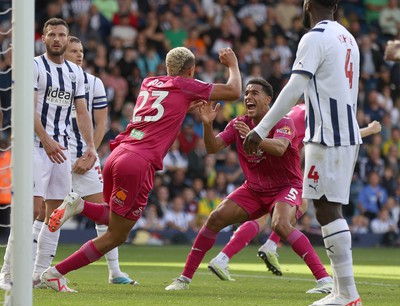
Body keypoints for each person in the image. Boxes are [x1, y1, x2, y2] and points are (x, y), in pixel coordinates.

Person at [40, 46, 241, 292]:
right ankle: (55, 273)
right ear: (191, 70)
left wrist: (185, 107)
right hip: (138, 163)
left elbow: (164, 110)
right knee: (116, 235)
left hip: (119, 153)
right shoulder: (185, 84)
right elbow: (234, 91)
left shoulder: (150, 82)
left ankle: (79, 205)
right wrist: (232, 64)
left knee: (113, 216)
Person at [243, 0, 362, 306]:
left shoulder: (314, 37)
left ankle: (347, 294)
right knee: (327, 208)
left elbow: (295, 86)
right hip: (346, 130)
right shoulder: (347, 37)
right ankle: (342, 290)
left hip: (327, 134)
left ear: (308, 4)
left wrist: (261, 128)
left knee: (326, 209)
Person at [165, 78, 331, 294]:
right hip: (254, 189)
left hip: (286, 186)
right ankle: (184, 279)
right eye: (247, 93)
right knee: (215, 218)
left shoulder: (283, 121)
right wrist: (207, 124)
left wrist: (253, 137)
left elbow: (280, 148)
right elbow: (213, 148)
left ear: (268, 99)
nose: (248, 97)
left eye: (255, 93)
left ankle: (325, 281)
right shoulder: (238, 124)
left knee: (280, 224)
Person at [211, 118, 381, 283]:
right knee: (275, 213)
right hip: (277, 169)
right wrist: (370, 130)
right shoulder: (311, 112)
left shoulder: (290, 111)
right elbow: (339, 136)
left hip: (271, 165)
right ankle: (250, 251)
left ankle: (238, 254)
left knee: (296, 206)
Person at [0, 18, 97, 290]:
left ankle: (41, 274)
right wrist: (46, 139)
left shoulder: (75, 73)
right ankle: (7, 274)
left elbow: (81, 111)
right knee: (30, 210)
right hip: (34, 146)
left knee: (56, 214)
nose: (57, 39)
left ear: (67, 39)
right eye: (52, 34)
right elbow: (27, 107)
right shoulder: (33, 66)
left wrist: (90, 146)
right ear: (43, 38)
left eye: (62, 35)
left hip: (62, 151)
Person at [64, 36, 135, 284]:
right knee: (43, 211)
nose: (79, 54)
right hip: (54, 152)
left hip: (85, 153)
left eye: (81, 50)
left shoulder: (94, 83)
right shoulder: (51, 79)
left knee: (105, 212)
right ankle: (29, 270)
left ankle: (115, 272)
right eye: (73, 51)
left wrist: (90, 151)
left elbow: (101, 122)